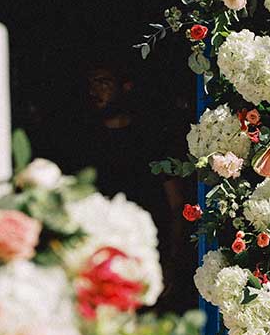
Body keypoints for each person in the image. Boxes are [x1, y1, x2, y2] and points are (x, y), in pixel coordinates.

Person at [49, 59, 191, 309]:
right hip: (97, 261)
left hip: (146, 257)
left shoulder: (151, 139)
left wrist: (171, 262)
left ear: (125, 86)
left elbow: (177, 204)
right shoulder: (82, 141)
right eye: (91, 83)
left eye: (103, 82)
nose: (94, 91)